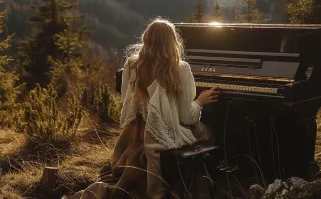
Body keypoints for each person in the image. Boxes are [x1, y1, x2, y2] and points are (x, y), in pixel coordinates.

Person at [67, 18, 220, 199]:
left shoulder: (132, 64)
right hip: (159, 137)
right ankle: (211, 184)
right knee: (207, 132)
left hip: (132, 136)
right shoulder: (180, 68)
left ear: (146, 39)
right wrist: (200, 102)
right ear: (173, 42)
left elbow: (126, 100)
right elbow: (187, 117)